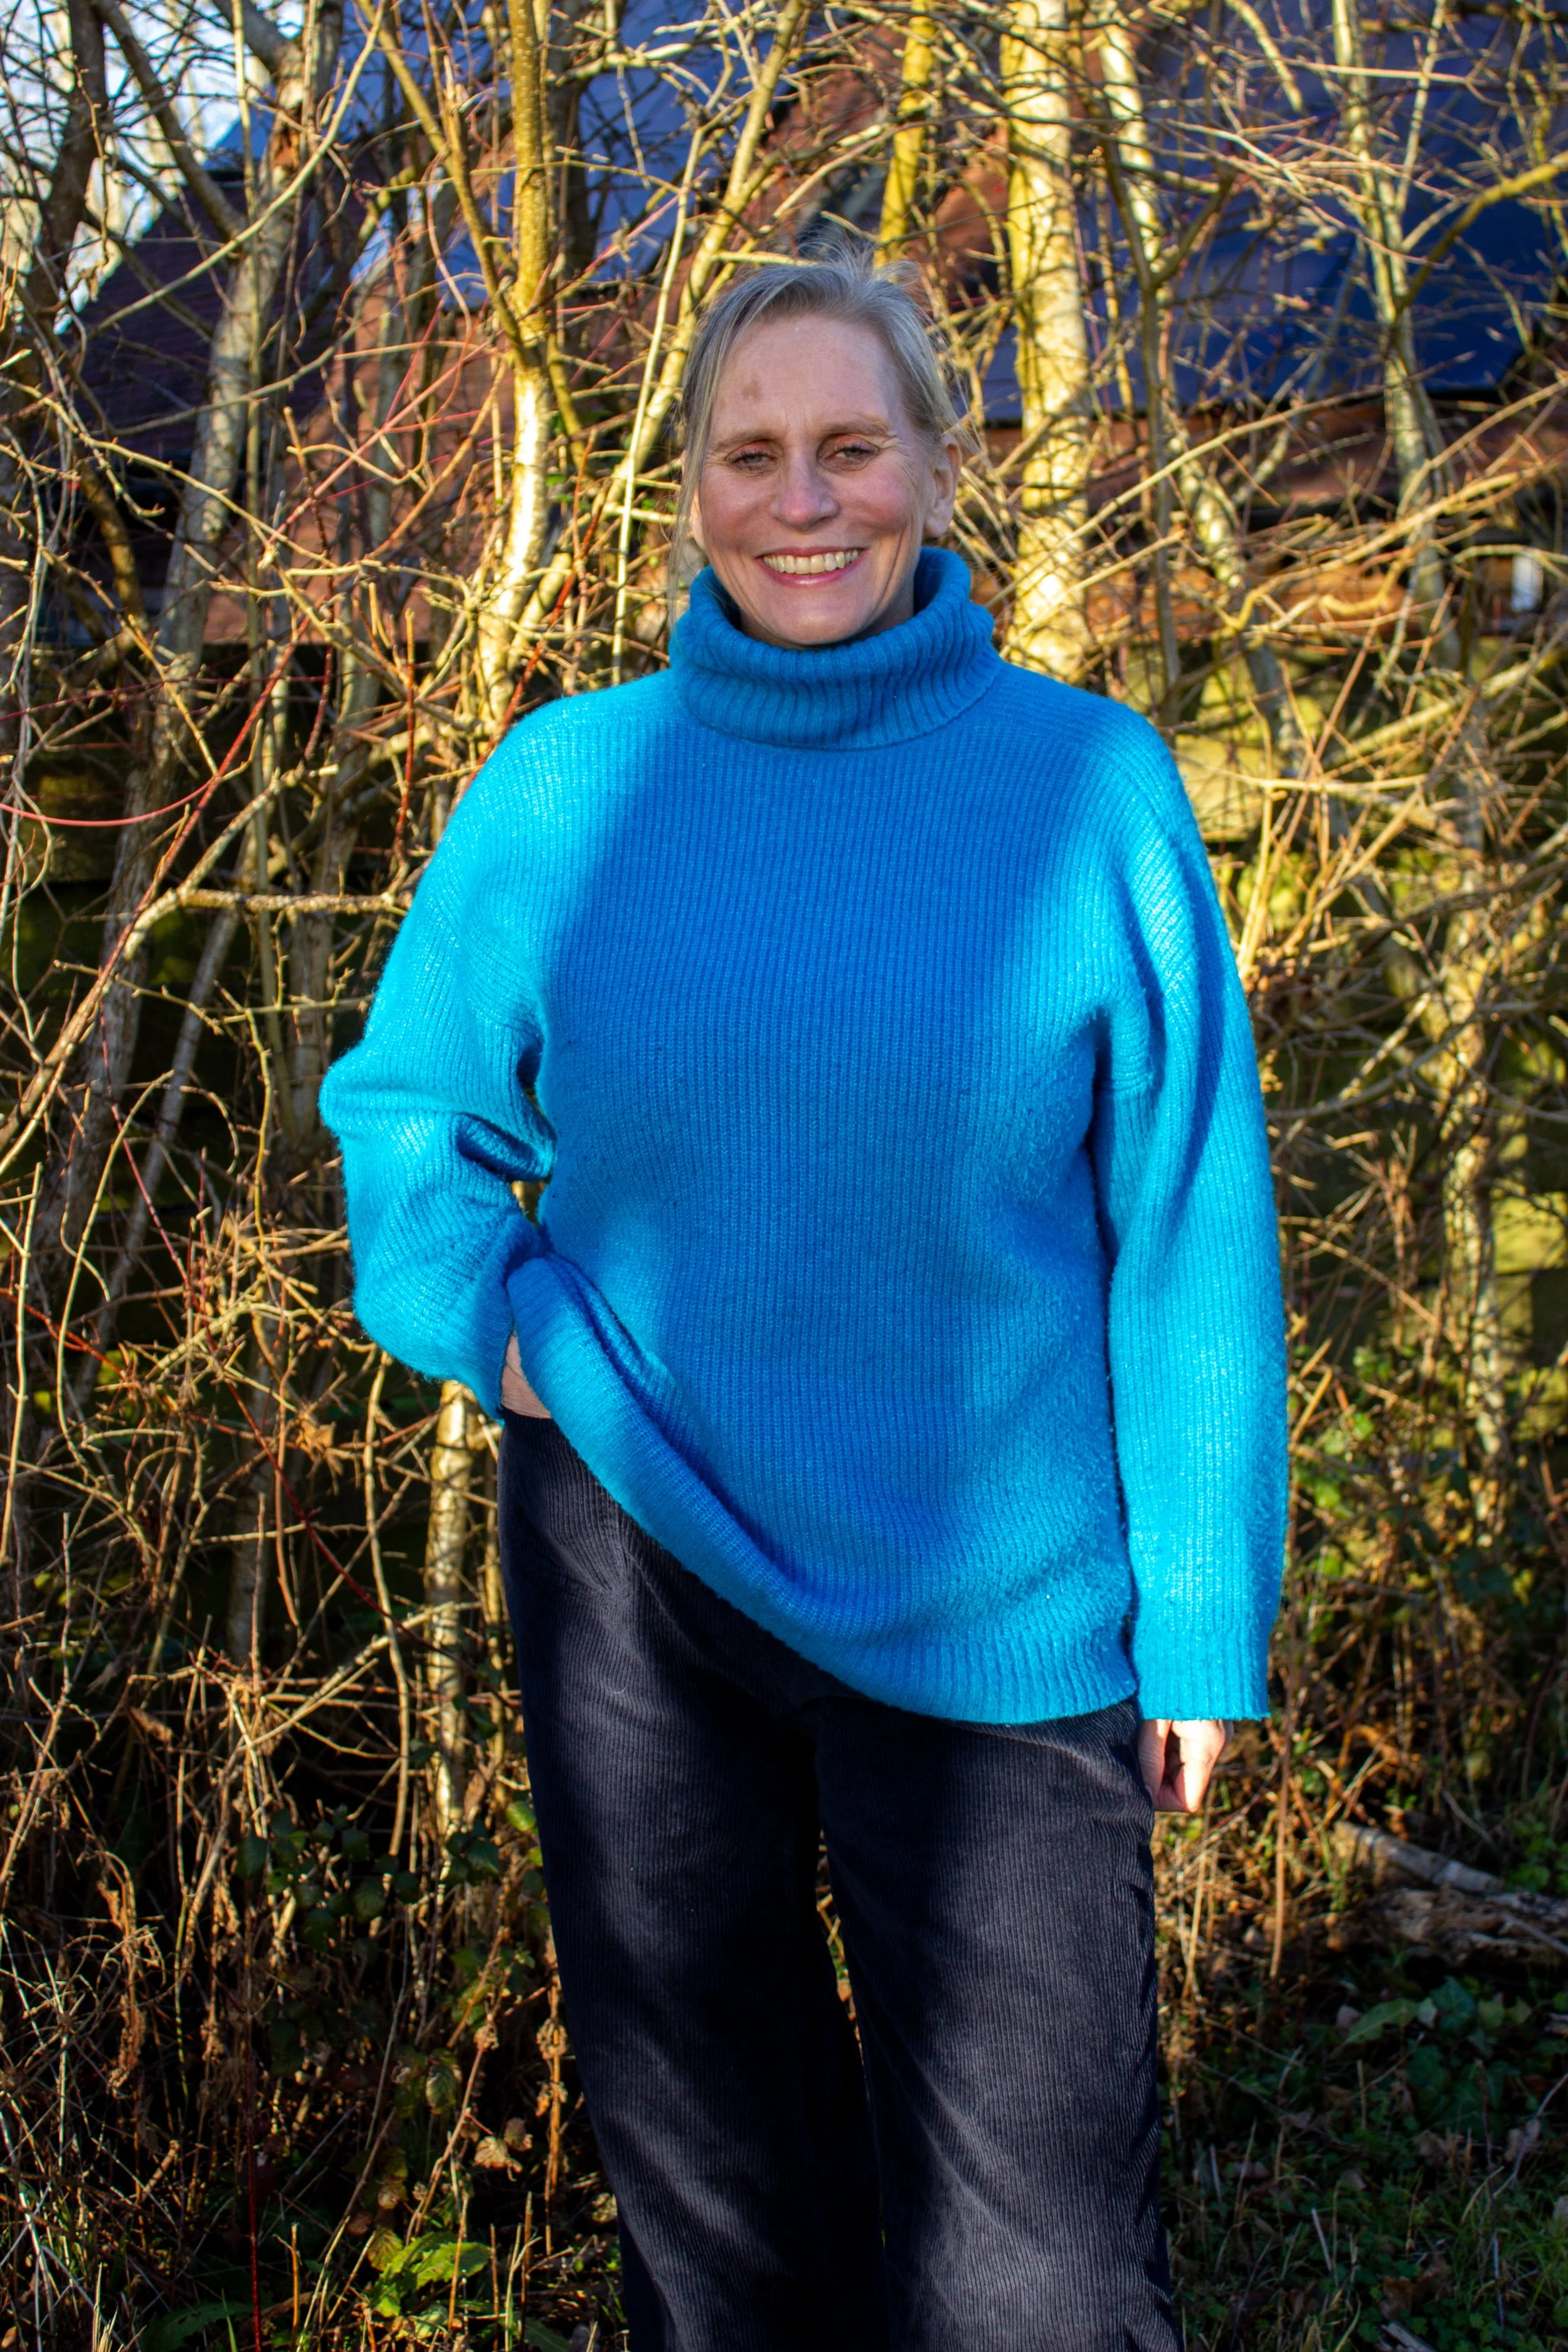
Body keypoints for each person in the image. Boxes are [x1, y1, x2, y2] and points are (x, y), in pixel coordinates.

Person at [320, 240, 1286, 2352]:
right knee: (724, 2222)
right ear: (687, 487)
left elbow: (1189, 1213)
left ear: (936, 464)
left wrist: (1204, 1612)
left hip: (998, 1588)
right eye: (750, 453)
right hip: (637, 1556)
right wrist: (496, 1322)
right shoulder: (567, 788)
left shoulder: (1085, 785)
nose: (802, 498)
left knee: (1034, 2273)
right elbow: (406, 1110)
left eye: (850, 445)